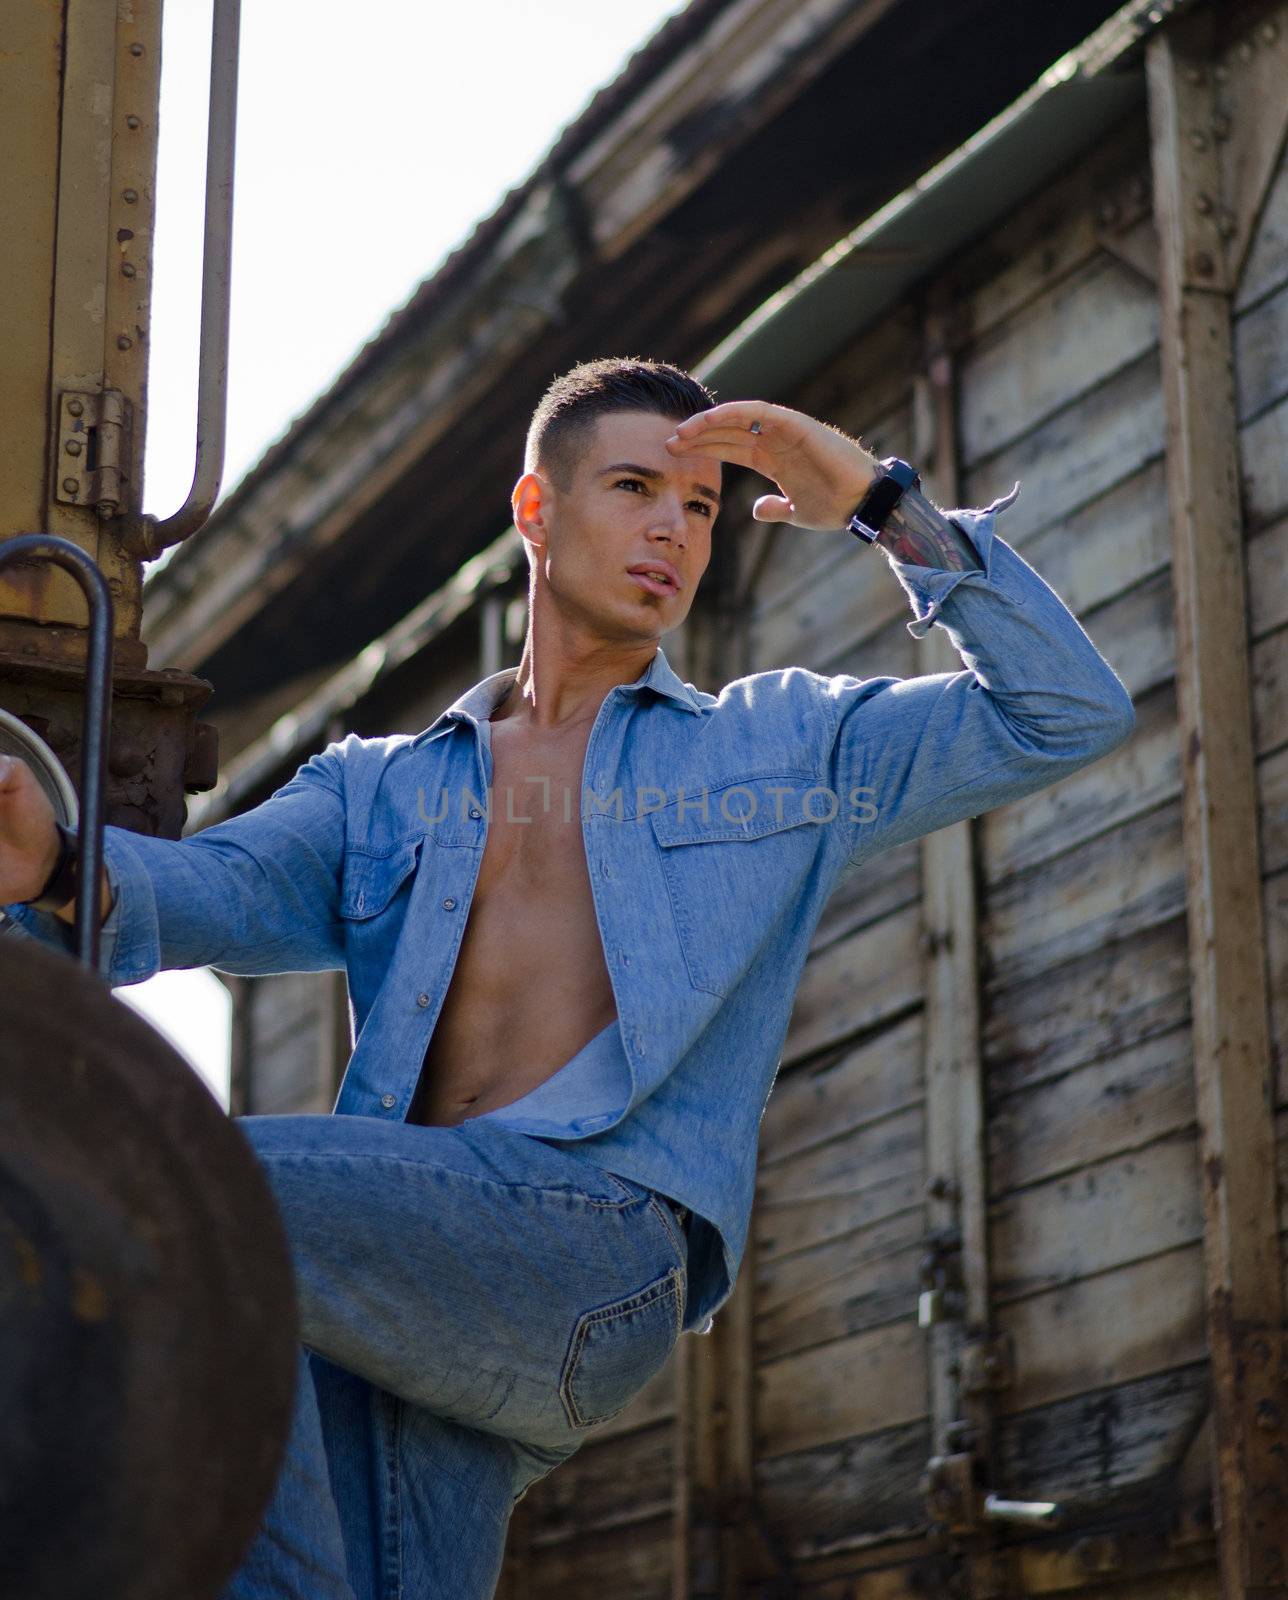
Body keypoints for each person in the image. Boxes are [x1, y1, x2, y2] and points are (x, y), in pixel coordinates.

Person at [0, 357, 1135, 1597]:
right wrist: (54, 861)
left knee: (192, 1188)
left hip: (594, 1252)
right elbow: (198, 894)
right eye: (636, 487)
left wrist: (879, 502)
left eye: (699, 507)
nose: (671, 530)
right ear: (535, 509)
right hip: (404, 1284)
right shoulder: (379, 785)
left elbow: (1063, 711)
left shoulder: (781, 744)